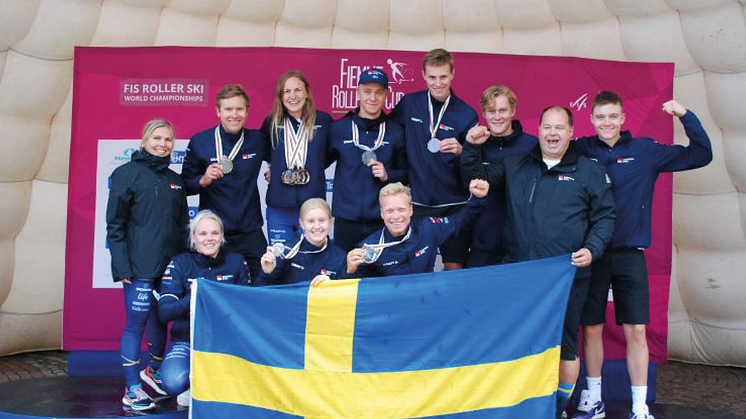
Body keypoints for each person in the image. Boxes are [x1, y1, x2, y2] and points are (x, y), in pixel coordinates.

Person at [461, 106, 616, 419]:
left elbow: (606, 218)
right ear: (539, 129)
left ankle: (557, 409)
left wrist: (592, 248)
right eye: (547, 127)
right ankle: (518, 405)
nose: (553, 134)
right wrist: (471, 147)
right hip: (521, 274)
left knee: (566, 344)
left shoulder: (589, 171)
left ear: (572, 132)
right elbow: (478, 176)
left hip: (568, 274)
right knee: (518, 340)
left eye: (560, 128)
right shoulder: (516, 164)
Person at [571, 92, 713, 419]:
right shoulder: (580, 150)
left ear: (622, 119)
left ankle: (639, 406)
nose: (606, 123)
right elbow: (541, 154)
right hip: (591, 253)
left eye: (612, 117)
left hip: (629, 255)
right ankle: (593, 399)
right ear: (591, 120)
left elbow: (702, 154)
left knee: (636, 330)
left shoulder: (645, 151)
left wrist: (684, 114)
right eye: (600, 117)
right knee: (590, 328)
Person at [106, 119, 189, 411]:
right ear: (144, 140)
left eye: (168, 139)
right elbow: (114, 225)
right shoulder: (125, 174)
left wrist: (182, 268)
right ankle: (131, 388)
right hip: (138, 269)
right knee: (136, 324)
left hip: (167, 270)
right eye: (157, 138)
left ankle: (153, 372)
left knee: (161, 321)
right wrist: (123, 268)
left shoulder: (176, 180)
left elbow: (182, 228)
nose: (162, 144)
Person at [389, 48, 478, 271]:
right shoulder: (409, 104)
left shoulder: (466, 114)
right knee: (417, 269)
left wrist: (462, 152)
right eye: (432, 77)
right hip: (418, 204)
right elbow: (388, 133)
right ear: (423, 75)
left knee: (454, 269)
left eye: (443, 77)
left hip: (453, 205)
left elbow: (474, 165)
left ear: (453, 74)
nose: (437, 83)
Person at [158, 210, 250, 407]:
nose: (209, 238)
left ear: (222, 236)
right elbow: (164, 313)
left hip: (224, 341)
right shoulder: (181, 263)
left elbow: (247, 307)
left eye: (215, 233)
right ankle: (201, 385)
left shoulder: (235, 261)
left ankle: (205, 387)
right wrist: (193, 296)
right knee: (173, 382)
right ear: (193, 238)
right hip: (186, 339)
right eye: (203, 234)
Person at [181, 84, 269, 280]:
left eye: (239, 109)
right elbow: (184, 185)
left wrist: (275, 170)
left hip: (250, 232)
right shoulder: (200, 141)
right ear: (218, 111)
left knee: (264, 285)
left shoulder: (258, 140)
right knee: (217, 293)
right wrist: (202, 180)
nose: (234, 115)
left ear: (247, 111)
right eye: (228, 109)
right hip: (215, 236)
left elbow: (281, 157)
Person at [327, 68, 407, 252]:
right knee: (345, 274)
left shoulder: (396, 131)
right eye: (367, 91)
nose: (373, 98)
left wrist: (388, 175)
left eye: (379, 92)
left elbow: (407, 173)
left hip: (381, 220)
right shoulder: (340, 128)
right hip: (346, 221)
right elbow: (317, 162)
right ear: (358, 92)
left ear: (386, 95)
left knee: (379, 276)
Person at [341, 180, 488, 278]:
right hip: (393, 311)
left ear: (411, 210)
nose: (396, 216)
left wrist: (478, 198)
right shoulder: (370, 248)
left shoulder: (428, 228)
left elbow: (460, 222)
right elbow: (358, 292)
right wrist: (349, 271)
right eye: (390, 211)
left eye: (401, 209)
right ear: (382, 214)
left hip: (426, 302)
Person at [464, 85, 537, 267]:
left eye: (503, 110)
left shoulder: (532, 145)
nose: (497, 116)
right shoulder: (475, 144)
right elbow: (467, 182)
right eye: (492, 111)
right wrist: (471, 148)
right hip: (483, 244)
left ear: (513, 110)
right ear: (484, 114)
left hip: (519, 246)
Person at [261, 70, 333, 246]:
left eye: (298, 90)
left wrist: (313, 168)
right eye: (287, 91)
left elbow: (331, 153)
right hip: (279, 206)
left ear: (307, 92)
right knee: (280, 259)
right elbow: (262, 151)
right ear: (281, 96)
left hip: (313, 206)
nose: (292, 96)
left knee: (312, 257)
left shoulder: (324, 121)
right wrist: (276, 168)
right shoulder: (271, 122)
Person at [256, 198, 348, 285]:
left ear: (330, 222)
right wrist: (267, 274)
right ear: (302, 224)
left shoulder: (340, 257)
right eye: (311, 221)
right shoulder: (285, 253)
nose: (317, 226)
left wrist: (332, 286)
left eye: (322, 220)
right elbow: (261, 294)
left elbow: (345, 296)